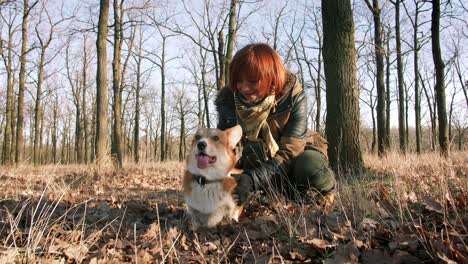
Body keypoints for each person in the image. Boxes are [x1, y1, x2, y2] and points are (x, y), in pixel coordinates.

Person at [215, 43, 336, 207]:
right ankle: (279, 193)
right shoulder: (228, 101)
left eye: (252, 81)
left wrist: (251, 180)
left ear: (269, 77)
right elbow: (226, 149)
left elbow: (290, 152)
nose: (243, 88)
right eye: (239, 81)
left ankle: (326, 190)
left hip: (294, 154)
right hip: (261, 160)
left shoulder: (293, 95)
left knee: (309, 165)